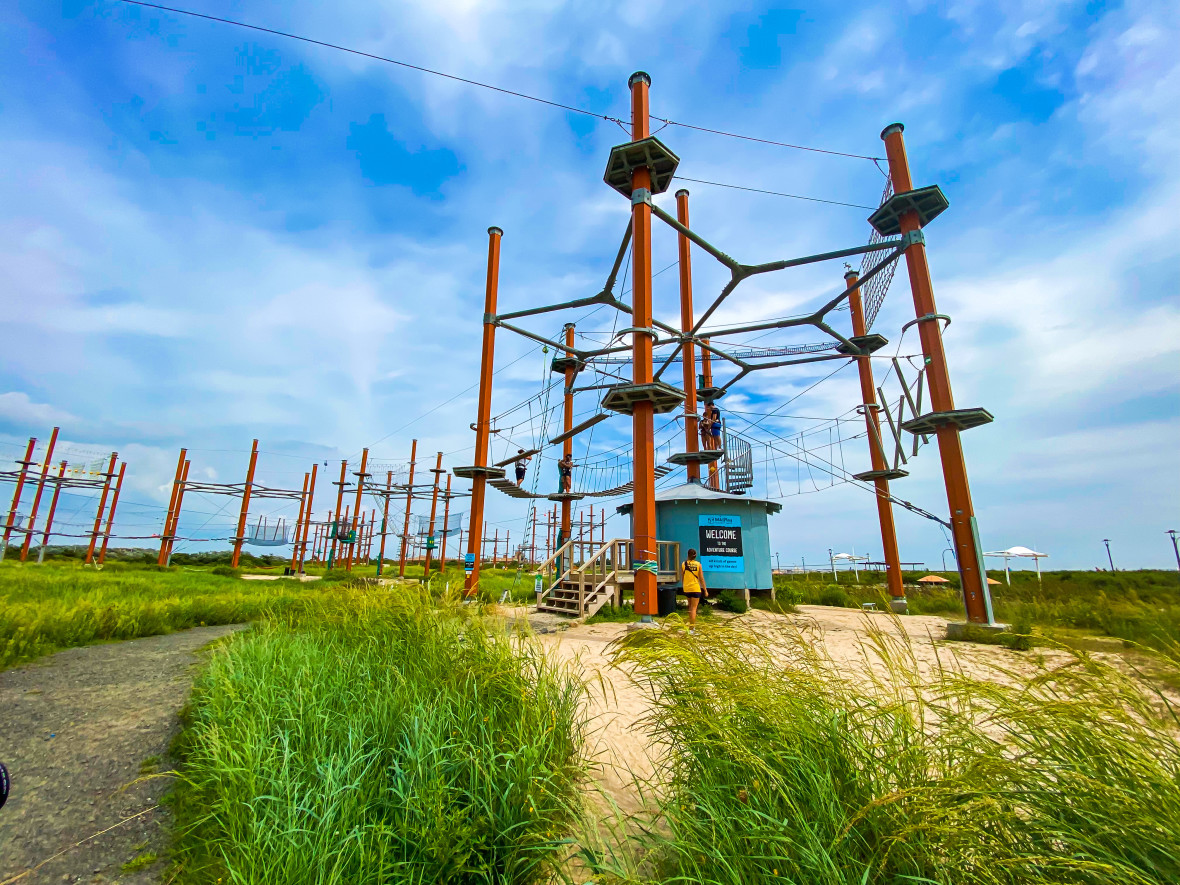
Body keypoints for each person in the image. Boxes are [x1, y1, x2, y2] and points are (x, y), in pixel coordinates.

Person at [682, 548, 707, 630]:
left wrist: (684, 586)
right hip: (695, 588)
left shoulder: (683, 564)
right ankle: (692, 627)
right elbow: (701, 578)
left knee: (690, 607)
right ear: (695, 556)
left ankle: (690, 624)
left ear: (688, 555)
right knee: (694, 608)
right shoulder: (698, 564)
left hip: (687, 588)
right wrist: (705, 590)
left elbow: (683, 576)